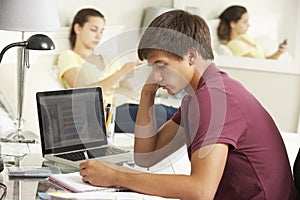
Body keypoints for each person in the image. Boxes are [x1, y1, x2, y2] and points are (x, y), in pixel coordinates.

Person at [79, 10, 296, 199]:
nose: (155, 76)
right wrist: (147, 93)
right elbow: (147, 156)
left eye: (161, 66)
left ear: (191, 55)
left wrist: (116, 176)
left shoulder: (214, 97)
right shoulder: (198, 96)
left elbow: (201, 191)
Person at [57, 8, 140, 103]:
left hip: (132, 107)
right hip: (109, 113)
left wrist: (106, 90)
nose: (99, 36)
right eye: (93, 30)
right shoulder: (69, 56)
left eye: (101, 31)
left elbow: (131, 93)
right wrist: (121, 72)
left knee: (159, 109)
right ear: (78, 28)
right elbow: (81, 92)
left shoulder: (109, 59)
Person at [217, 5, 288, 59]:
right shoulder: (235, 45)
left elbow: (264, 60)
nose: (248, 25)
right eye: (244, 22)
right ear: (233, 24)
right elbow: (259, 66)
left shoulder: (244, 36)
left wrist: (279, 52)